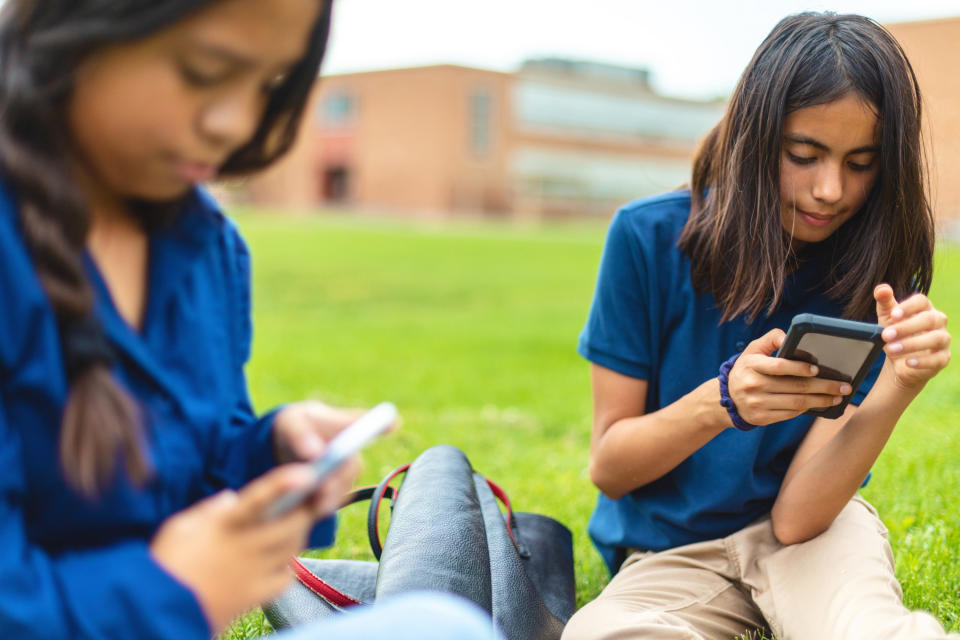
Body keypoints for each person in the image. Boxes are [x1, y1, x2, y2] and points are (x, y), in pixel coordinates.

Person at [0, 1, 499, 639]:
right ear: (71, 30)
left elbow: (192, 478)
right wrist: (171, 590)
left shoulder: (208, 247)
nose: (235, 124)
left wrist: (270, 455)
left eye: (269, 85)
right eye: (203, 70)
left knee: (441, 626)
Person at [563, 12, 956, 640]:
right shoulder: (646, 237)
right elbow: (611, 466)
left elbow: (798, 521)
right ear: (754, 138)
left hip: (817, 537)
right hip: (674, 556)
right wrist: (724, 402)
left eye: (861, 163)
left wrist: (899, 386)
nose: (831, 190)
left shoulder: (873, 267)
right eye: (804, 155)